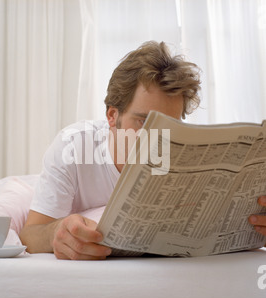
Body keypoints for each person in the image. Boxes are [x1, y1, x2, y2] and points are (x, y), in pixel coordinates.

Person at [19, 41, 266, 260]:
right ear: (113, 116)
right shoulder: (73, 147)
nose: (158, 139)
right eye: (144, 122)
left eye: (170, 126)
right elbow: (30, 234)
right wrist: (55, 233)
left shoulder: (182, 154)